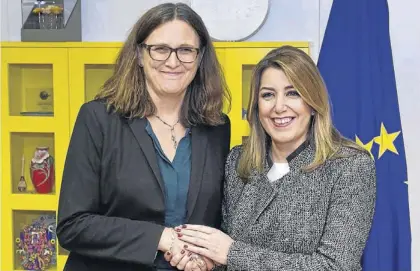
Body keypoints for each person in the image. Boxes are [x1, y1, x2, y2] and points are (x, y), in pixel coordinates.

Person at [167, 45, 376, 270]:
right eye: (268, 95)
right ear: (256, 106)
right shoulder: (238, 162)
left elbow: (335, 266)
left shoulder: (350, 166)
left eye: (292, 93)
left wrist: (232, 253)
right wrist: (206, 261)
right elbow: (225, 252)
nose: (279, 107)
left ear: (313, 104)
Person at [56, 3, 231, 271]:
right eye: (160, 49)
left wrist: (205, 255)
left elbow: (216, 220)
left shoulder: (217, 127)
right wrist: (161, 238)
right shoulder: (98, 119)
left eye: (185, 50)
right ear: (139, 54)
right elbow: (72, 225)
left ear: (200, 57)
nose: (173, 62)